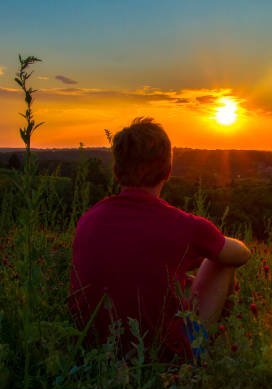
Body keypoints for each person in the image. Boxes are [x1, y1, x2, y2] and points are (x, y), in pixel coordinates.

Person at [69, 117, 251, 360]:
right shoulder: (183, 226)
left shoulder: (89, 219)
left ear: (117, 170)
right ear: (168, 170)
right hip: (162, 357)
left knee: (180, 281)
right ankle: (205, 355)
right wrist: (210, 243)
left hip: (93, 353)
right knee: (222, 263)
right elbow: (241, 254)